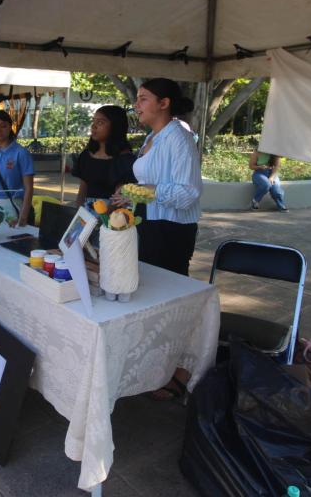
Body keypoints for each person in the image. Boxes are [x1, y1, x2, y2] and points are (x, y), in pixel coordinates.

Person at [114, 78, 202, 402]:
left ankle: (178, 371)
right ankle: (155, 365)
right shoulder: (153, 137)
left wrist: (143, 192)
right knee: (149, 297)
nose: (137, 105)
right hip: (150, 223)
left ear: (164, 103)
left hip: (171, 229)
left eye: (143, 99)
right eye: (137, 99)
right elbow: (151, 184)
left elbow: (187, 193)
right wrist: (130, 195)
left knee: (169, 301)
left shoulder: (179, 137)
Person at [73, 105, 136, 208]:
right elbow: (82, 190)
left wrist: (102, 220)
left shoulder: (125, 160)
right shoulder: (86, 155)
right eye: (93, 121)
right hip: (86, 214)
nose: (94, 126)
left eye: (100, 122)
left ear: (115, 126)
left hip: (112, 216)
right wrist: (77, 212)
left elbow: (119, 196)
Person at [248, 146, 287, 211]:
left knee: (276, 190)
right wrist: (260, 167)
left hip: (272, 174)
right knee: (266, 184)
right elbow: (251, 166)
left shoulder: (275, 153)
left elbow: (277, 166)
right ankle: (255, 201)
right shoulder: (256, 153)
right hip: (259, 173)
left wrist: (271, 177)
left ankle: (281, 205)